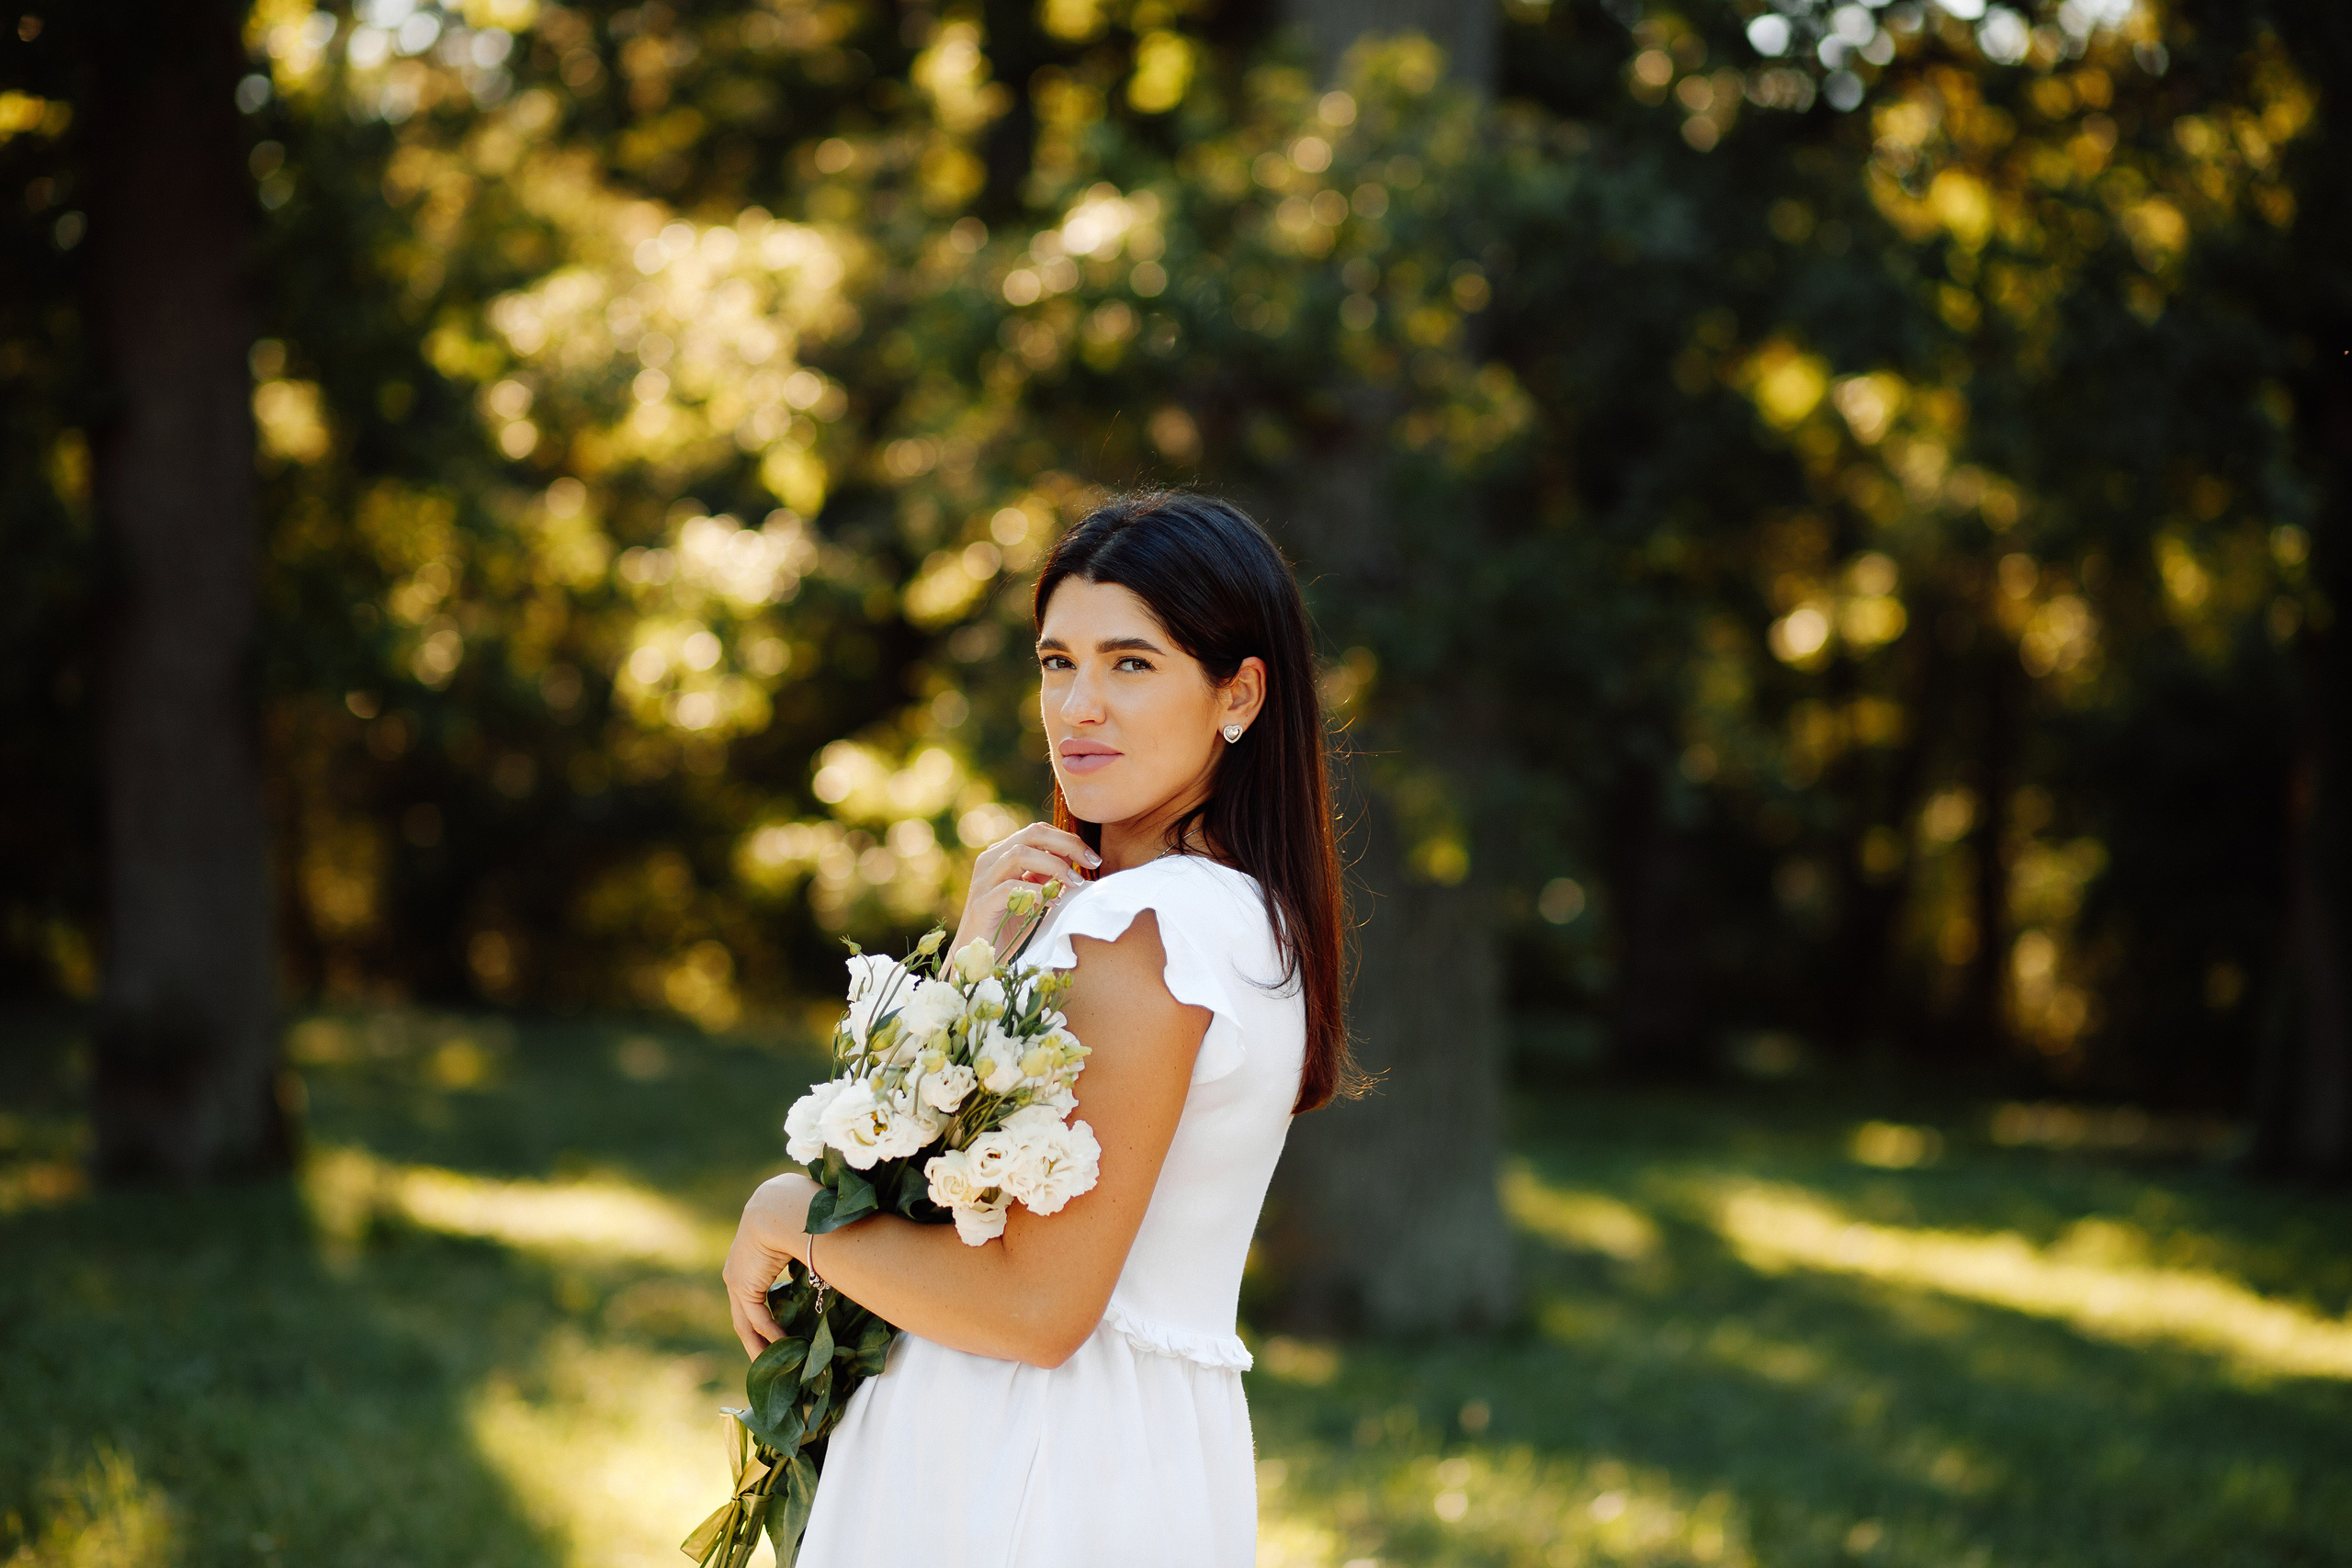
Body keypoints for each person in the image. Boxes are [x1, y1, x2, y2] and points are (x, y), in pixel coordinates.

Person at [720, 490, 1351, 1567]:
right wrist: (974, 963)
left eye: (1131, 664)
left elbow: (1037, 1307)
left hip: (1023, 1463)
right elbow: (950, 1197)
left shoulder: (1143, 927)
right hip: (1124, 1454)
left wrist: (790, 1214)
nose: (1077, 707)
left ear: (1239, 693)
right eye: (1057, 663)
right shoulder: (1232, 918)